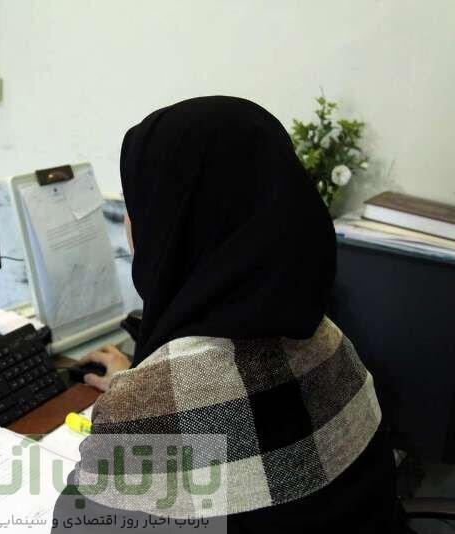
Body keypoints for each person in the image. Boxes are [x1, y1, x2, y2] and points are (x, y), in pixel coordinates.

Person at [52, 96, 398, 533]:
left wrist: (139, 397)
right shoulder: (330, 344)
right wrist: (143, 380)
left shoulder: (150, 410)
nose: (130, 225)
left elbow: (77, 524)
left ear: (173, 225)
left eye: (135, 205)